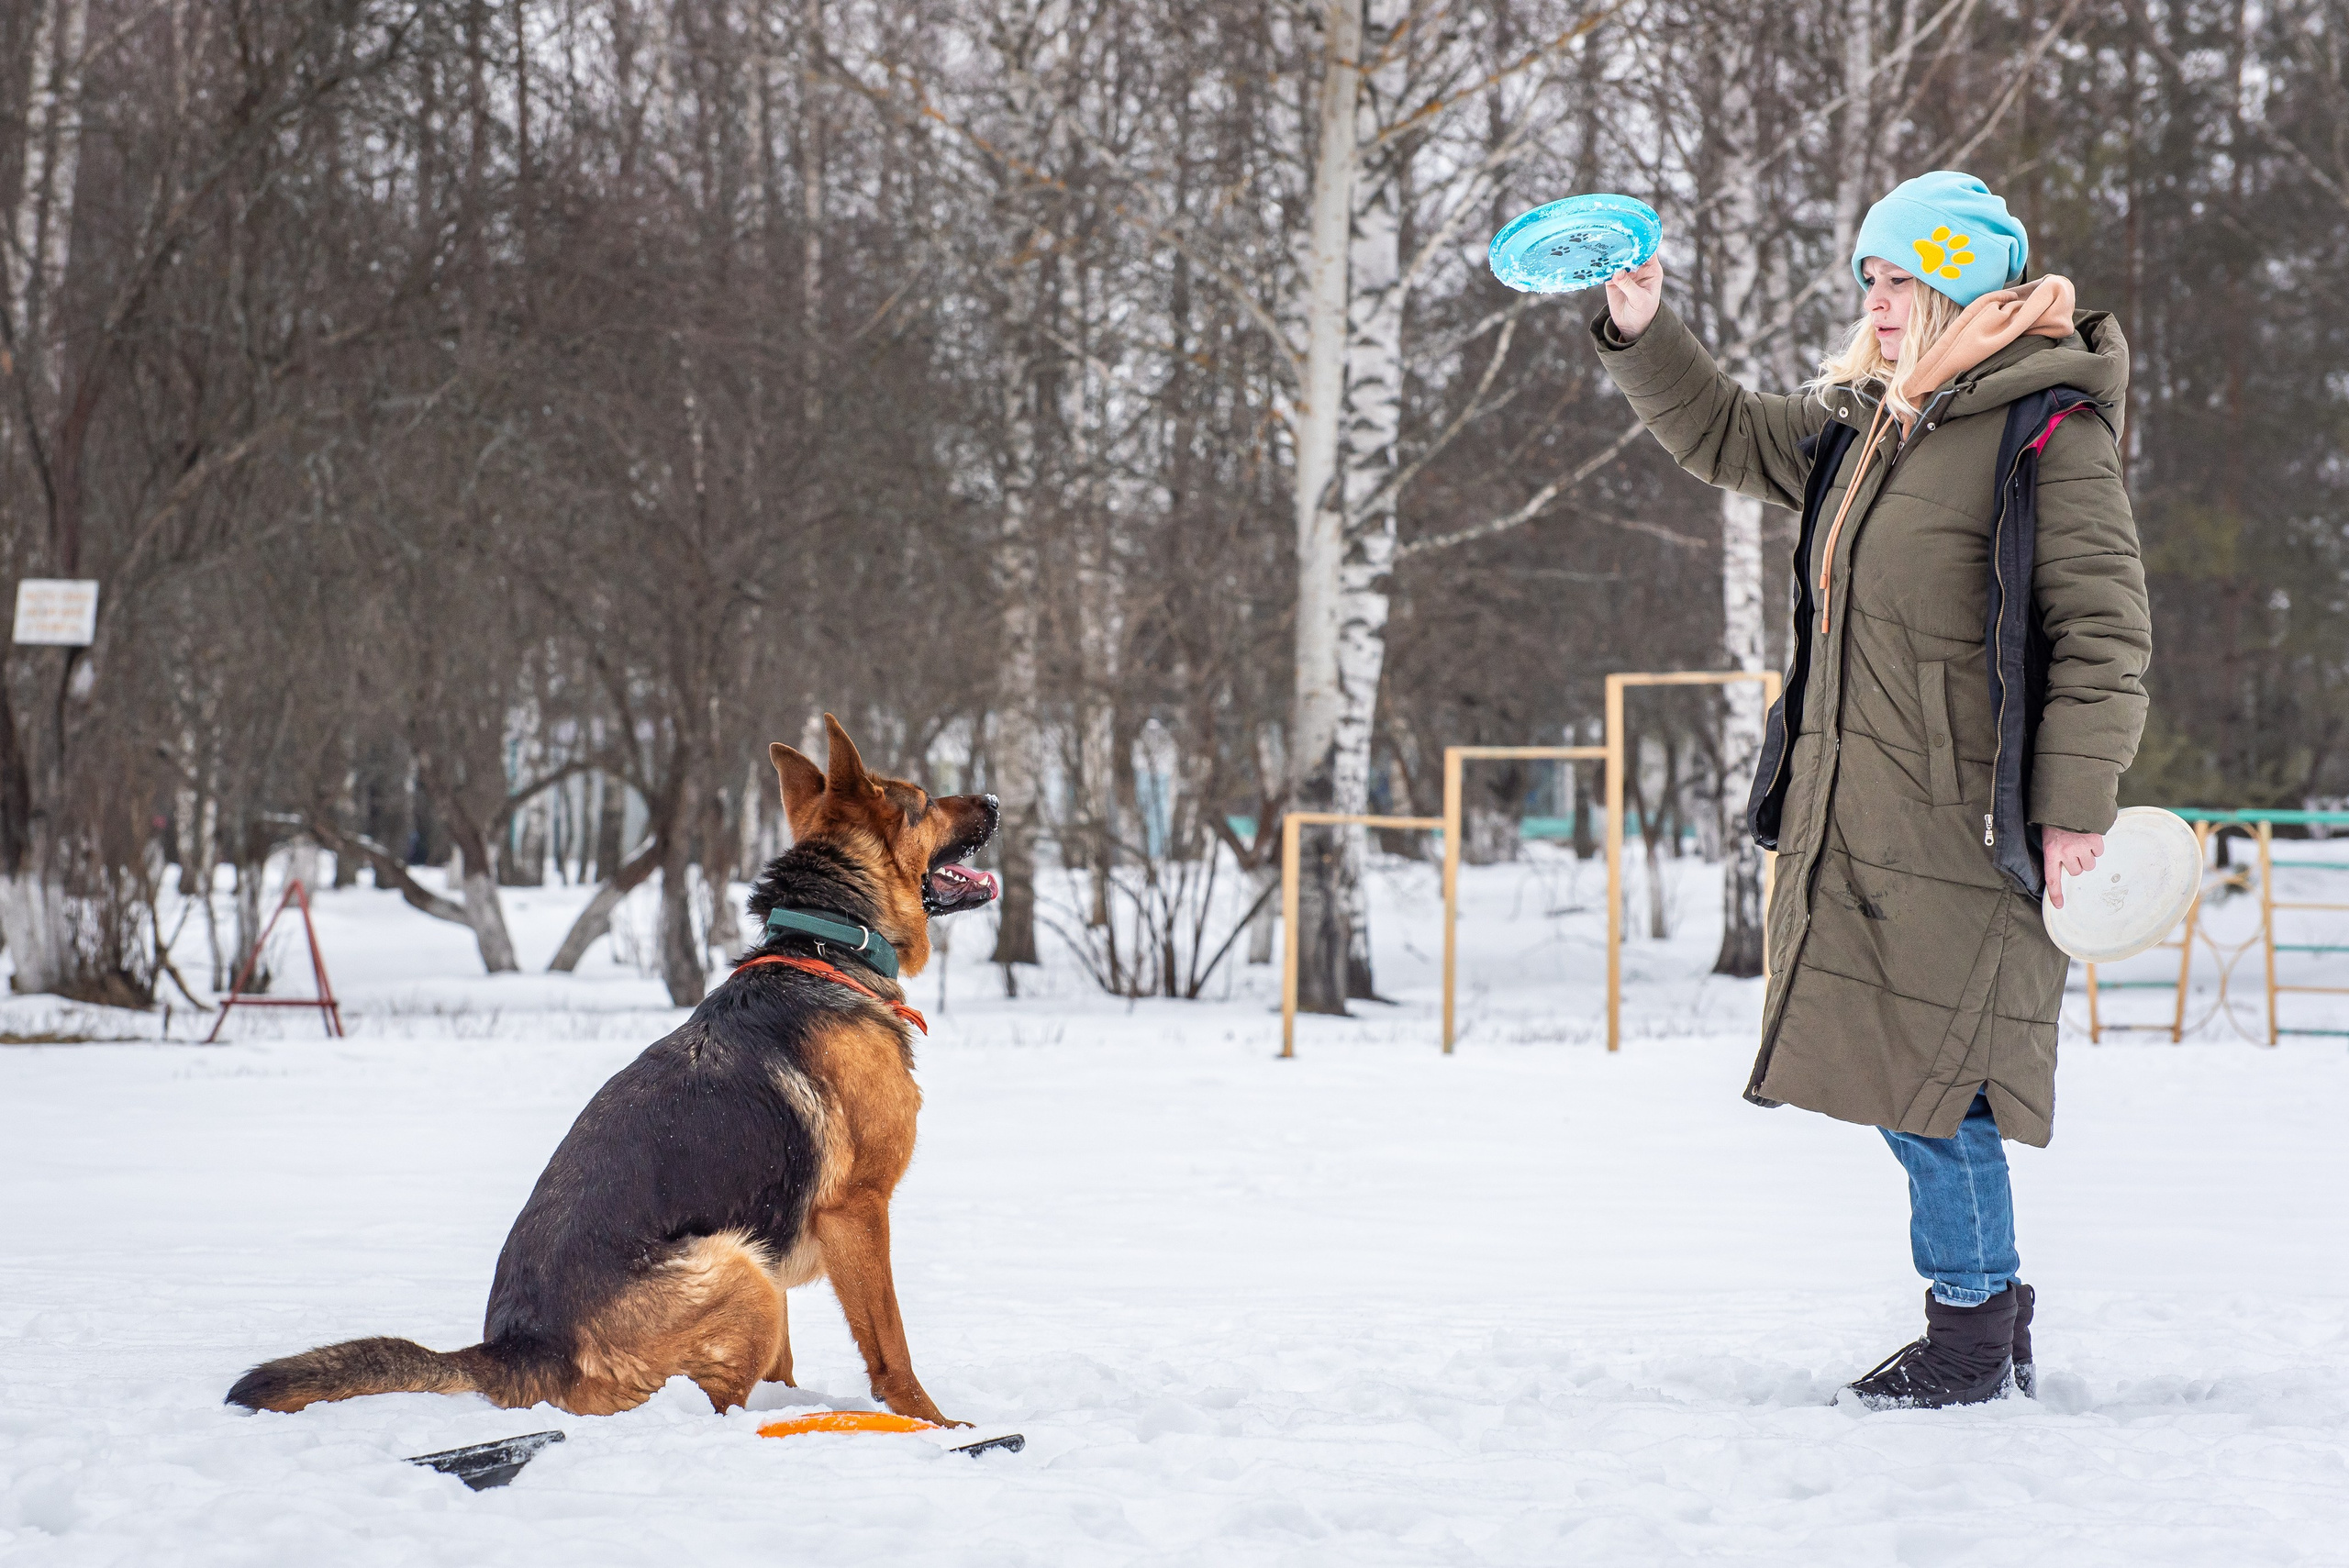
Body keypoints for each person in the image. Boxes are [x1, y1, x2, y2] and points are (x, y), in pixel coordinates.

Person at [1591, 171, 2151, 1408]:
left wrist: (2073, 805)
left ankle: (1970, 1333)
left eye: (1899, 279)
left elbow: (2104, 632)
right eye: (1869, 279)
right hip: (1861, 810)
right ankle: (1986, 1317)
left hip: (1968, 818)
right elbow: (1727, 432)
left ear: (1956, 281)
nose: (1878, 302)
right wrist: (1643, 330)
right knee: (1920, 1082)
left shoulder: (2045, 426)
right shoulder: (1867, 425)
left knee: (1939, 1083)